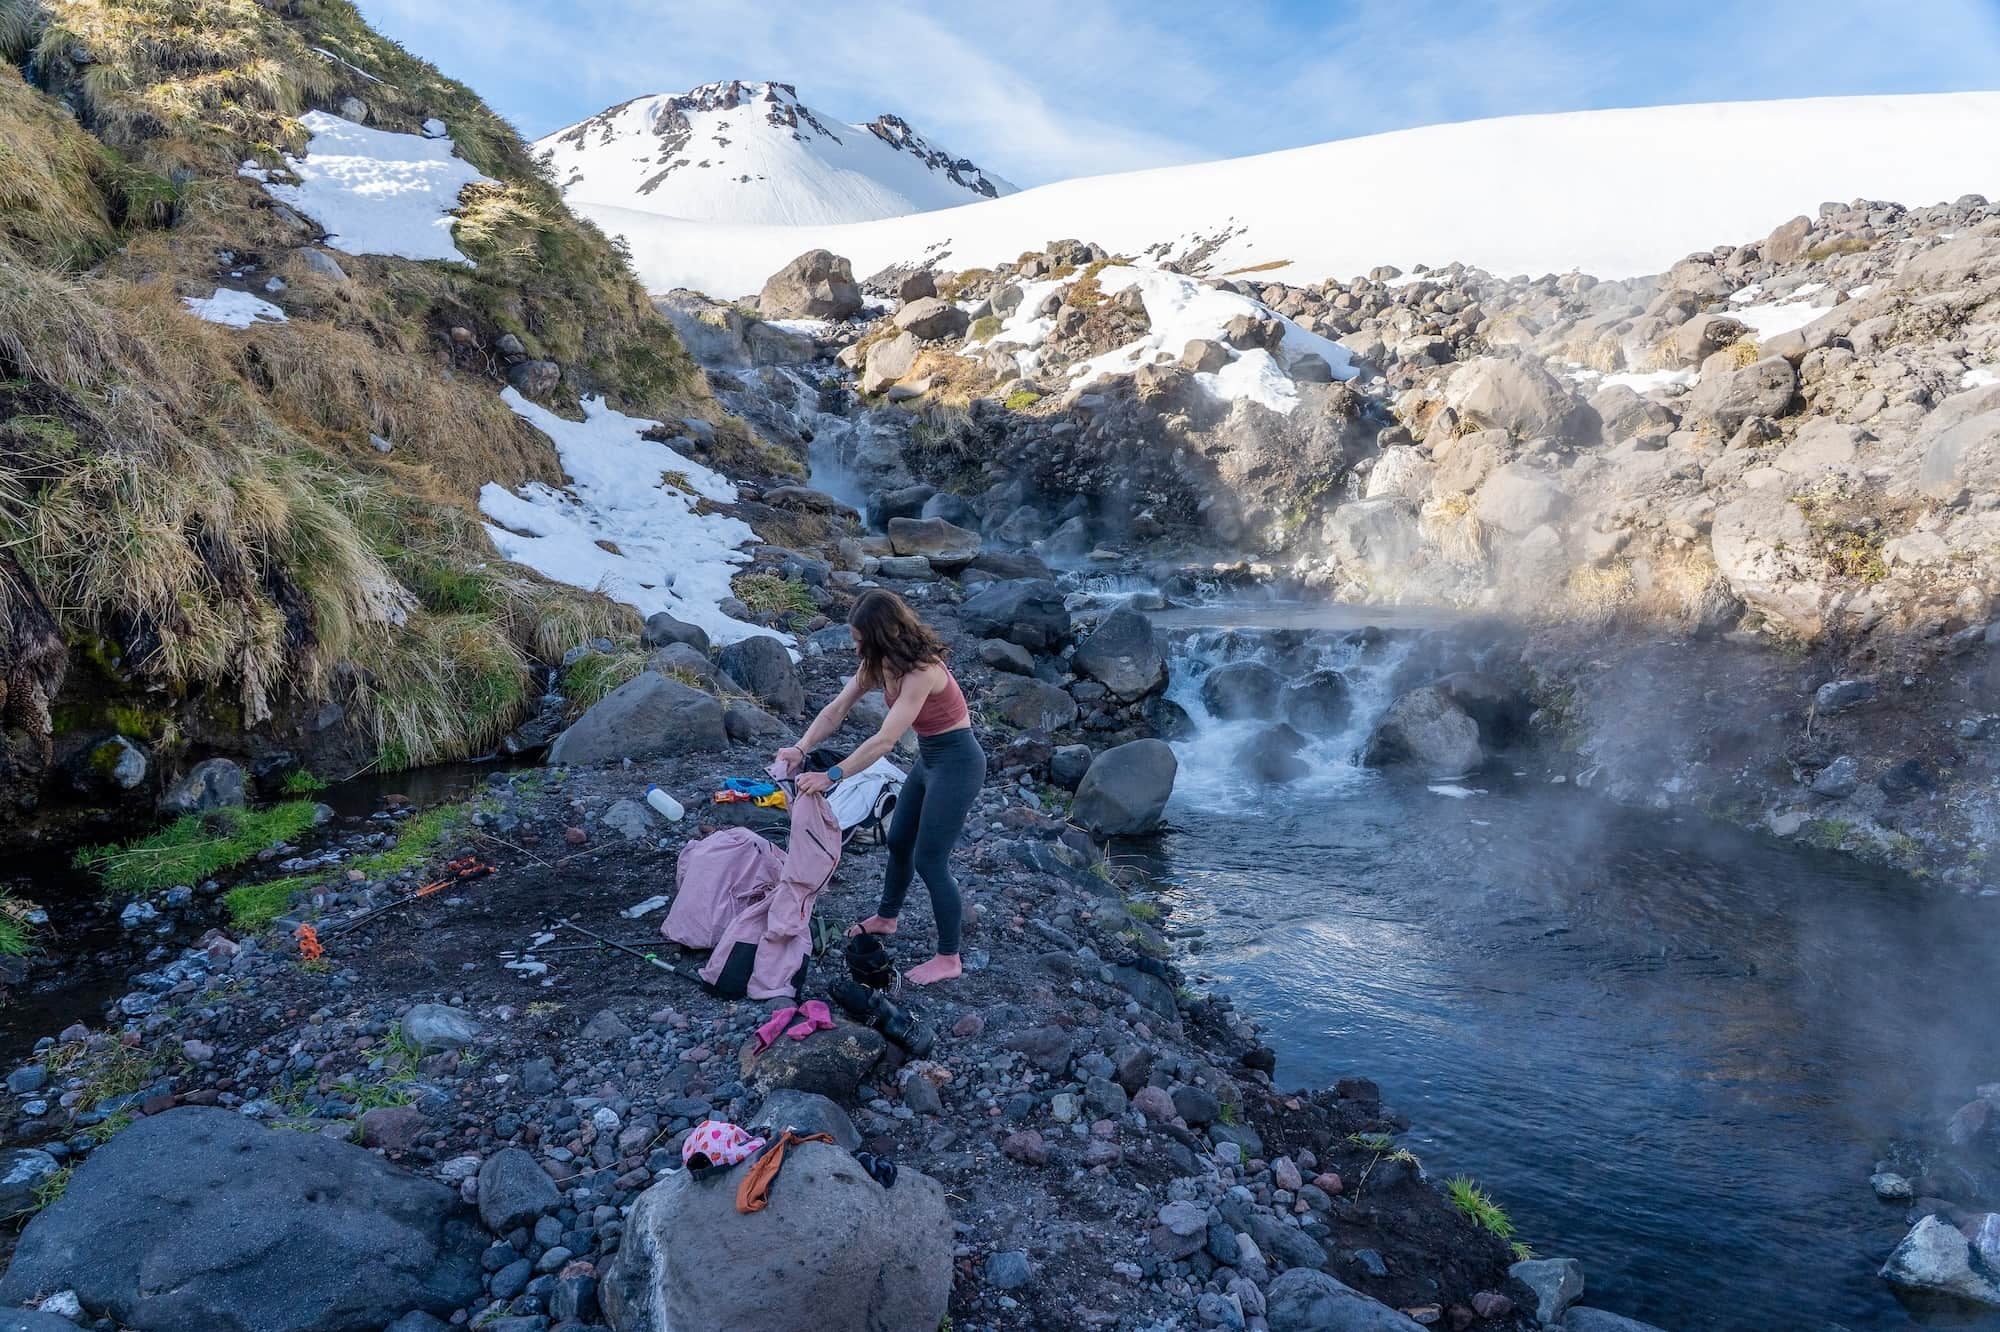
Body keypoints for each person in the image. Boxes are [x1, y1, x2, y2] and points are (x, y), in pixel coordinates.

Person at [781, 589, 985, 985]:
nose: (857, 651)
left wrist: (832, 776)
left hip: (958, 764)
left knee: (930, 860)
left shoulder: (923, 671)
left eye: (861, 641)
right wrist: (800, 747)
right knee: (899, 842)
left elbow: (885, 740)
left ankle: (949, 958)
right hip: (929, 760)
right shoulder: (880, 664)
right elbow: (835, 710)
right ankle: (887, 918)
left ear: (882, 636)